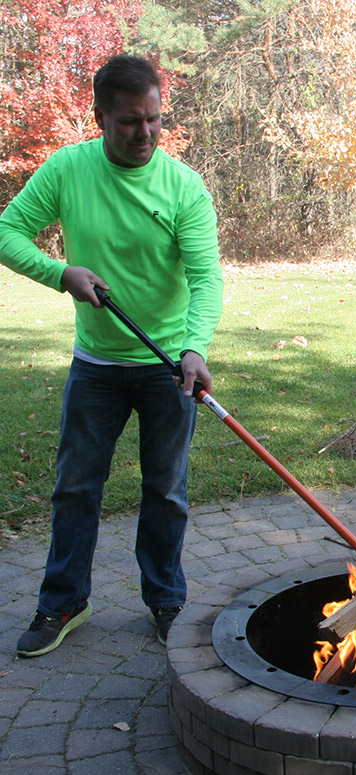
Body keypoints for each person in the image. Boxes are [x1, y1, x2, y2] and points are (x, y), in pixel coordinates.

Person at [0, 55, 223, 657]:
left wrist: (195, 348)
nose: (146, 133)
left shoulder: (183, 186)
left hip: (168, 367)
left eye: (154, 119)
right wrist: (60, 272)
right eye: (129, 122)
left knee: (166, 490)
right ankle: (63, 600)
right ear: (99, 117)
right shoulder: (68, 169)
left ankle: (166, 598)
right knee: (75, 487)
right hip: (96, 366)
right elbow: (6, 232)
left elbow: (205, 279)